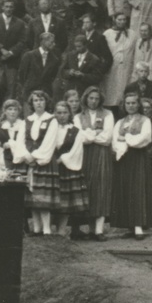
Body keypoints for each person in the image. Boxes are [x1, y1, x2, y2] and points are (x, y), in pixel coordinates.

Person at [111, 92, 152, 240]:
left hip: (138, 157)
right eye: (128, 103)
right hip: (123, 158)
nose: (130, 106)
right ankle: (129, 225)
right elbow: (114, 141)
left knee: (138, 189)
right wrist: (121, 145)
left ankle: (138, 227)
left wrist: (127, 138)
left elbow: (144, 138)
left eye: (133, 103)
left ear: (138, 105)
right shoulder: (120, 122)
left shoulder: (145, 120)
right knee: (125, 189)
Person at [74, 86, 114, 241]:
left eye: (97, 98)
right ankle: (90, 229)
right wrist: (94, 134)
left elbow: (107, 138)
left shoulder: (108, 114)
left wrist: (89, 135)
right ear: (86, 98)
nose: (94, 101)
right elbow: (79, 137)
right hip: (84, 155)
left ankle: (99, 230)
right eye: (91, 98)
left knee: (101, 188)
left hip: (102, 154)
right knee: (87, 188)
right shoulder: (78, 116)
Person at [22, 90, 59, 236]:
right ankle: (36, 229)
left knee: (43, 198)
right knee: (32, 197)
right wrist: (26, 156)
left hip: (44, 161)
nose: (39, 103)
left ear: (46, 102)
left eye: (42, 100)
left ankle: (47, 229)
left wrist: (35, 157)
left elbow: (49, 142)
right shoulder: (28, 120)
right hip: (29, 161)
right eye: (36, 100)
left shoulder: (52, 120)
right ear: (32, 103)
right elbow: (21, 140)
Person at [49, 100, 88, 238]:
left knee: (65, 201)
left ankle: (62, 230)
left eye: (65, 113)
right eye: (58, 113)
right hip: (50, 167)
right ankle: (49, 230)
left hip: (66, 168)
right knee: (51, 199)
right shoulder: (49, 129)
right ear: (54, 114)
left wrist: (62, 159)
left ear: (69, 114)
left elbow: (76, 150)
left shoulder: (75, 131)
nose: (62, 116)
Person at [0, 0, 29, 104]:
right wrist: (1, 49)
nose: (8, 9)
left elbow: (22, 41)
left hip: (12, 61)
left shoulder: (19, 23)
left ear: (14, 8)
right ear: (2, 7)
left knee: (11, 89)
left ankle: (7, 115)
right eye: (6, 6)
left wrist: (11, 52)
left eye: (11, 7)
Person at [102, 12, 138, 111]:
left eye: (124, 19)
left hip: (127, 67)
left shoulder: (132, 34)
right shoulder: (107, 34)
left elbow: (136, 50)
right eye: (119, 19)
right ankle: (111, 112)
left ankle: (124, 111)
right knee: (111, 92)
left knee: (124, 91)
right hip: (112, 68)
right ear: (114, 20)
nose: (122, 22)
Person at [57, 34, 105, 99]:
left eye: (79, 46)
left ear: (85, 45)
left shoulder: (94, 59)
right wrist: (69, 72)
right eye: (76, 46)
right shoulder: (70, 55)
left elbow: (97, 77)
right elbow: (62, 71)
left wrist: (83, 75)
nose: (77, 49)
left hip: (85, 91)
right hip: (70, 90)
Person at [19, 32, 62, 97]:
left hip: (46, 93)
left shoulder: (54, 59)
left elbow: (53, 77)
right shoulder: (29, 56)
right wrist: (26, 86)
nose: (54, 44)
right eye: (51, 42)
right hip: (30, 91)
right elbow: (22, 74)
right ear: (43, 41)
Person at [0, 99, 28, 174]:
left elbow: (24, 142)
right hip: (5, 158)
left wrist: (11, 144)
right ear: (5, 111)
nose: (12, 112)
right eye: (10, 109)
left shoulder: (22, 125)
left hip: (20, 158)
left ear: (18, 112)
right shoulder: (1, 125)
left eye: (15, 109)